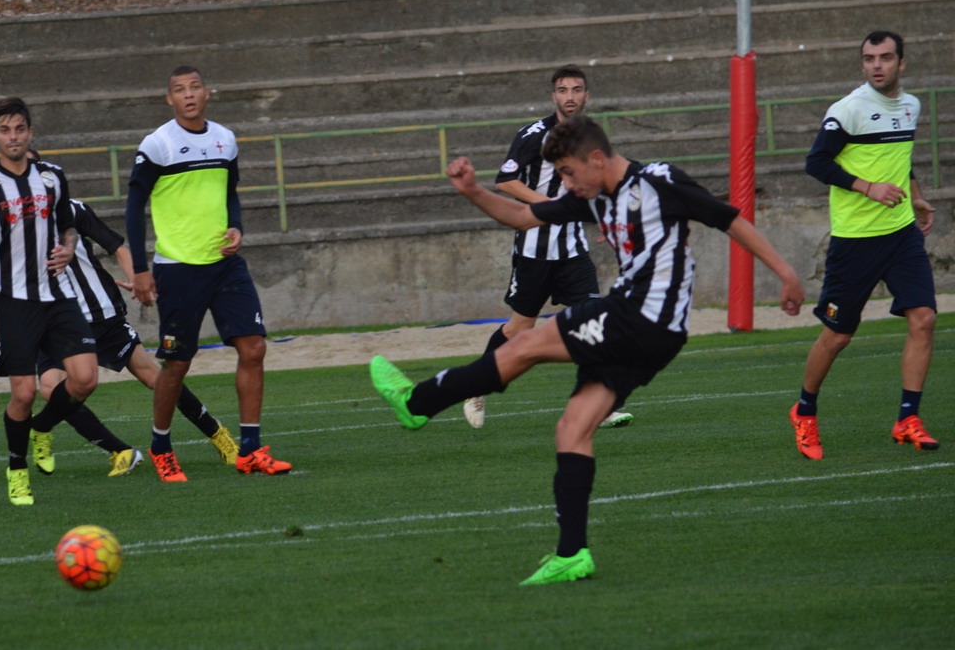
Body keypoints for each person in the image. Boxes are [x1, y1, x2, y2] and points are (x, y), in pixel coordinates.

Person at [371, 115, 803, 585]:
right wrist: (472, 190)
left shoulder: (658, 181)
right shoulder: (592, 196)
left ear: (596, 158)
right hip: (653, 333)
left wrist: (786, 274)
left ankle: (417, 403)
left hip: (640, 317)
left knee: (527, 344)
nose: (565, 182)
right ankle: (572, 554)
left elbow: (729, 219)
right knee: (572, 429)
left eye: (568, 172)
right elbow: (523, 216)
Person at [0, 96, 129, 505]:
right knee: (24, 394)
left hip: (58, 295)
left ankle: (42, 427)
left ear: (30, 133)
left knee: (85, 379)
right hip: (14, 301)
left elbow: (68, 226)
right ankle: (17, 469)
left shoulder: (52, 177)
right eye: (5, 130)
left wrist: (67, 247)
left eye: (19, 129)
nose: (13, 137)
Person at [0, 196, 240, 469]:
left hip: (100, 313)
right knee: (50, 387)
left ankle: (218, 435)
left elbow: (117, 248)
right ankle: (120, 452)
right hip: (56, 322)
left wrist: (137, 280)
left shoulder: (72, 209)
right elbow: (7, 277)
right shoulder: (9, 224)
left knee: (156, 379)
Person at [126, 65, 291, 482]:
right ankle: (161, 446)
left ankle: (250, 450)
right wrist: (141, 269)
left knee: (253, 348)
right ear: (169, 99)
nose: (188, 94)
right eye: (179, 89)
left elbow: (229, 192)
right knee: (177, 363)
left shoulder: (225, 139)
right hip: (178, 269)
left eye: (194, 87)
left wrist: (237, 226)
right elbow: (133, 206)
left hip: (225, 264)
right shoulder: (158, 144)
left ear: (207, 93)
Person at [790, 30, 939, 459]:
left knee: (924, 319)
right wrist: (867, 187)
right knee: (838, 336)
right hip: (855, 240)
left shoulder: (911, 106)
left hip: (902, 233)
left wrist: (916, 196)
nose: (877, 65)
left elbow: (901, 157)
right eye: (870, 58)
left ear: (901, 63)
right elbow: (816, 162)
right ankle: (804, 411)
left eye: (886, 57)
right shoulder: (848, 110)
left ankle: (907, 418)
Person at [463, 64, 632, 431]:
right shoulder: (533, 135)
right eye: (563, 90)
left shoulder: (592, 137)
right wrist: (548, 206)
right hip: (534, 250)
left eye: (576, 89)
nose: (570, 96)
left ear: (587, 96)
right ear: (553, 95)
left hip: (573, 249)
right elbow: (505, 180)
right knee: (519, 328)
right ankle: (477, 387)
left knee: (592, 319)